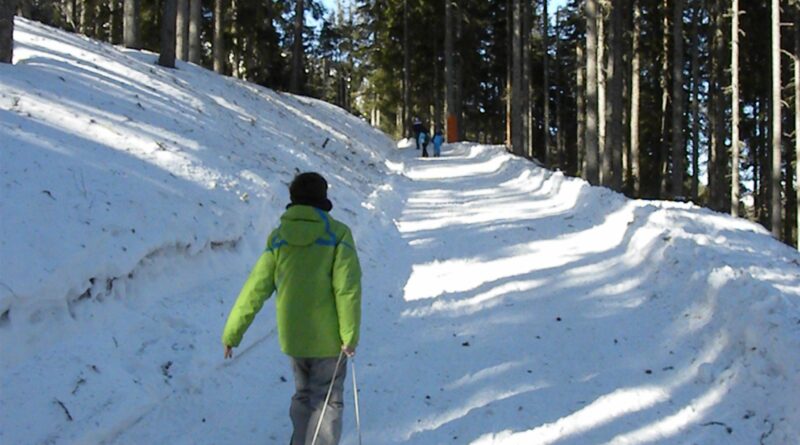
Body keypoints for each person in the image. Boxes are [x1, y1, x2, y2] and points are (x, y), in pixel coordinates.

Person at [222, 172, 362, 445]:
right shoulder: (338, 234)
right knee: (327, 401)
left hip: (294, 337)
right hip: (329, 339)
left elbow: (256, 287)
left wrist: (232, 334)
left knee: (304, 396)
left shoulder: (279, 238)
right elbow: (346, 289)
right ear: (323, 199)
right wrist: (349, 335)